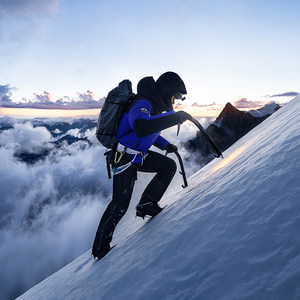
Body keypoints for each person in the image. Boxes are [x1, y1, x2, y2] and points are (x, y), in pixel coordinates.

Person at [92, 71, 192, 260]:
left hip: (138, 156)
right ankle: (100, 249)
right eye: (175, 96)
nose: (175, 101)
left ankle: (147, 203)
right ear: (167, 91)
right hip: (123, 159)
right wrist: (176, 117)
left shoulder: (152, 106)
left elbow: (149, 132)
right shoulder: (143, 104)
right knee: (119, 205)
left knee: (168, 166)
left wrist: (165, 145)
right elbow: (141, 127)